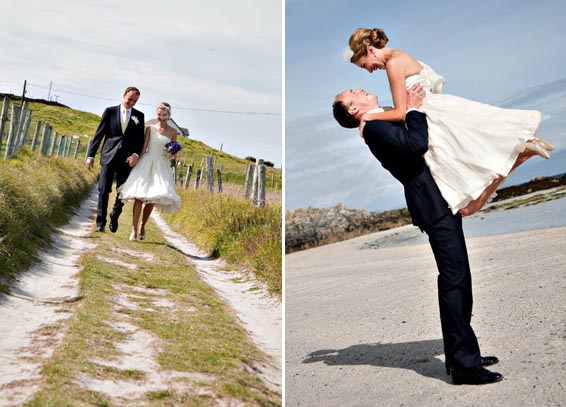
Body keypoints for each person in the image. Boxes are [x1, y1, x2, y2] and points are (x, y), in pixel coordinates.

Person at [333, 84, 508, 385]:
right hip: (431, 205)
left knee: (459, 278)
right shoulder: (373, 128)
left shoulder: (378, 122)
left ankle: (461, 355)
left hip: (437, 201)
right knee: (454, 280)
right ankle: (463, 365)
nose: (359, 88)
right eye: (352, 93)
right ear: (353, 109)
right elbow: (416, 145)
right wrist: (412, 110)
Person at [342, 27, 554, 216]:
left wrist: (368, 116)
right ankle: (523, 152)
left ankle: (523, 152)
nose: (369, 71)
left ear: (370, 50)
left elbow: (400, 113)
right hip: (439, 112)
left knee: (465, 205)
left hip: (434, 124)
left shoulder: (394, 64)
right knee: (467, 203)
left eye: (364, 65)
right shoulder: (402, 57)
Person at [117, 102, 181, 241]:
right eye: (159, 114)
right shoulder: (150, 128)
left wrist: (174, 154)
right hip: (147, 161)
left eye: (164, 115)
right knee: (139, 197)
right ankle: (133, 230)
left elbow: (173, 152)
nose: (161, 117)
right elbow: (144, 147)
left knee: (152, 198)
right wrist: (137, 159)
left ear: (169, 116)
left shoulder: (173, 132)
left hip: (161, 164)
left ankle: (142, 225)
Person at [86, 86, 145, 233]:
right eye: (130, 99)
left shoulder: (140, 116)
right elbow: (98, 135)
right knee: (103, 189)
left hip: (126, 159)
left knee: (123, 191)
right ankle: (100, 222)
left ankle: (115, 215)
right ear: (124, 95)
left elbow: (140, 140)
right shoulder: (110, 111)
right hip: (108, 155)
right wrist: (90, 155)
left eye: (135, 101)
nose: (131, 103)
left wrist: (136, 155)